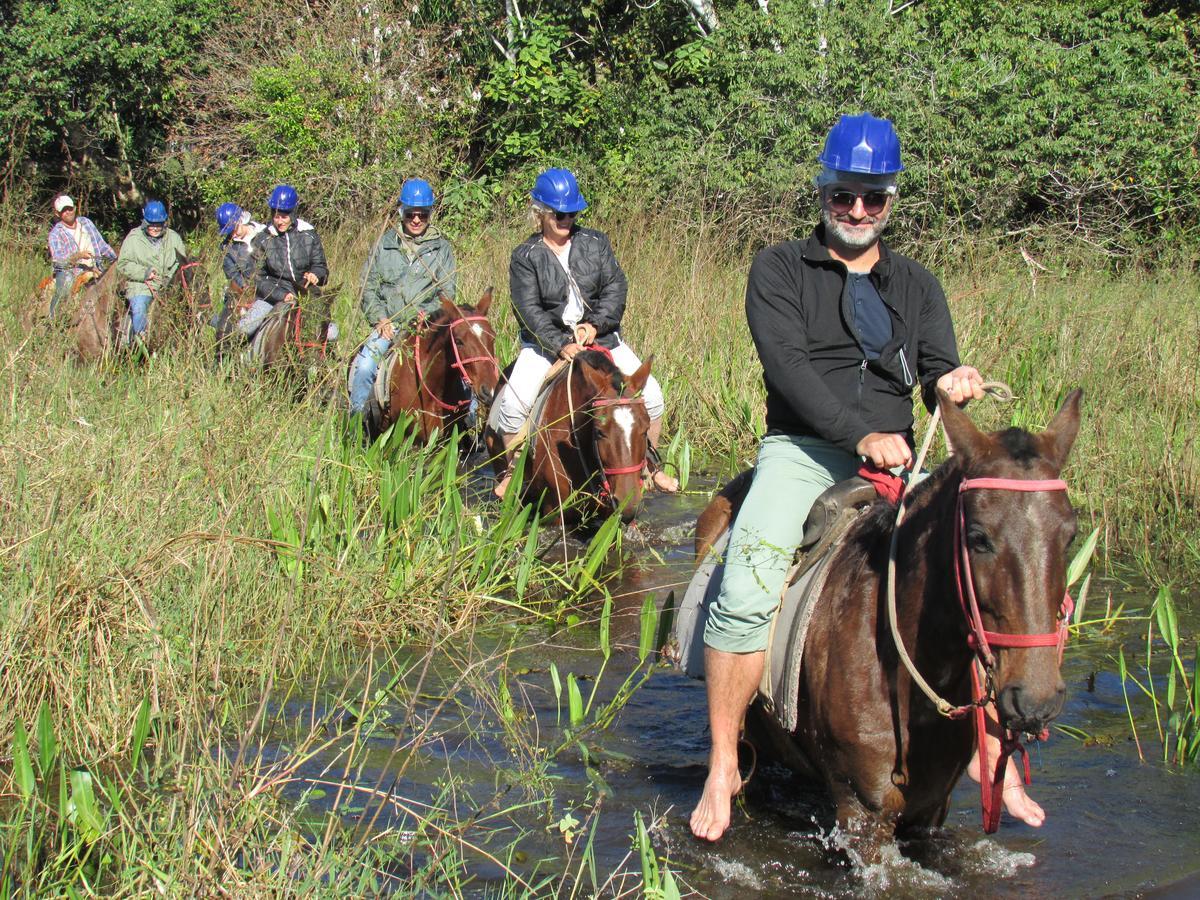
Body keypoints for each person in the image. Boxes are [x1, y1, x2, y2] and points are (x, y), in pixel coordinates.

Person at [689, 113, 1039, 842]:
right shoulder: (779, 270)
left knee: (975, 575)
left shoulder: (915, 284)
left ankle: (988, 749)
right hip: (802, 450)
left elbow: (938, 367)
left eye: (871, 199)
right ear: (822, 190)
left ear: (890, 201)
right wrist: (859, 435)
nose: (856, 211)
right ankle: (724, 761)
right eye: (843, 195)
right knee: (750, 580)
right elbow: (786, 366)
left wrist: (953, 382)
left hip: (903, 455)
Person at [491, 167, 678, 496]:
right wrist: (561, 343)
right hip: (544, 346)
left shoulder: (595, 242)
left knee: (652, 396)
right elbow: (528, 309)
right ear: (542, 214)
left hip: (603, 339)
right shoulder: (525, 256)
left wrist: (596, 325)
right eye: (559, 214)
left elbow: (615, 288)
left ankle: (647, 464)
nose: (566, 219)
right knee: (512, 404)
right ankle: (513, 470)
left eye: (572, 213)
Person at [349, 178, 456, 414]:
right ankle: (357, 424)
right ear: (401, 212)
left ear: (430, 214)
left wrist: (428, 318)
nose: (416, 220)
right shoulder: (383, 244)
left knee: (462, 365)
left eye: (422, 214)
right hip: (389, 326)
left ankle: (472, 430)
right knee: (366, 367)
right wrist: (380, 319)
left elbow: (447, 293)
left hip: (426, 327)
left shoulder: (442, 249)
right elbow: (367, 288)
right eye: (410, 214)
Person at [239, 184, 329, 339]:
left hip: (306, 294)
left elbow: (321, 267)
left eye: (284, 217)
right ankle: (237, 359)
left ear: (293, 214)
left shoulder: (309, 234)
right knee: (245, 329)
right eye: (276, 216)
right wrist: (282, 295)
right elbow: (257, 278)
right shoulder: (262, 239)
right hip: (273, 295)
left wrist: (316, 275)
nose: (279, 221)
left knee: (331, 333)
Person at [115, 200, 188, 340]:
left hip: (169, 287)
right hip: (141, 286)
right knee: (139, 307)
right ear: (145, 222)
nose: (155, 228)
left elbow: (182, 264)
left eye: (159, 225)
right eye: (151, 224)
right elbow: (122, 264)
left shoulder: (174, 238)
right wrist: (144, 273)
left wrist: (169, 279)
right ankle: (140, 340)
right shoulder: (133, 238)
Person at [47, 194, 116, 316]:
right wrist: (78, 256)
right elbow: (59, 261)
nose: (68, 212)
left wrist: (116, 260)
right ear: (57, 214)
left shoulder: (86, 223)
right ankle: (55, 320)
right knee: (63, 294)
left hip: (96, 269)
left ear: (74, 208)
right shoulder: (55, 234)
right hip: (71, 273)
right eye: (63, 210)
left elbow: (102, 246)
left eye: (69, 208)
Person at [211, 202, 266, 344]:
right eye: (229, 231)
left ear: (242, 221)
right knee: (226, 323)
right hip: (242, 290)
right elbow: (231, 272)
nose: (233, 233)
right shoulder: (226, 247)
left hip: (268, 286)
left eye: (234, 228)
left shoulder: (264, 234)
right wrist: (245, 286)